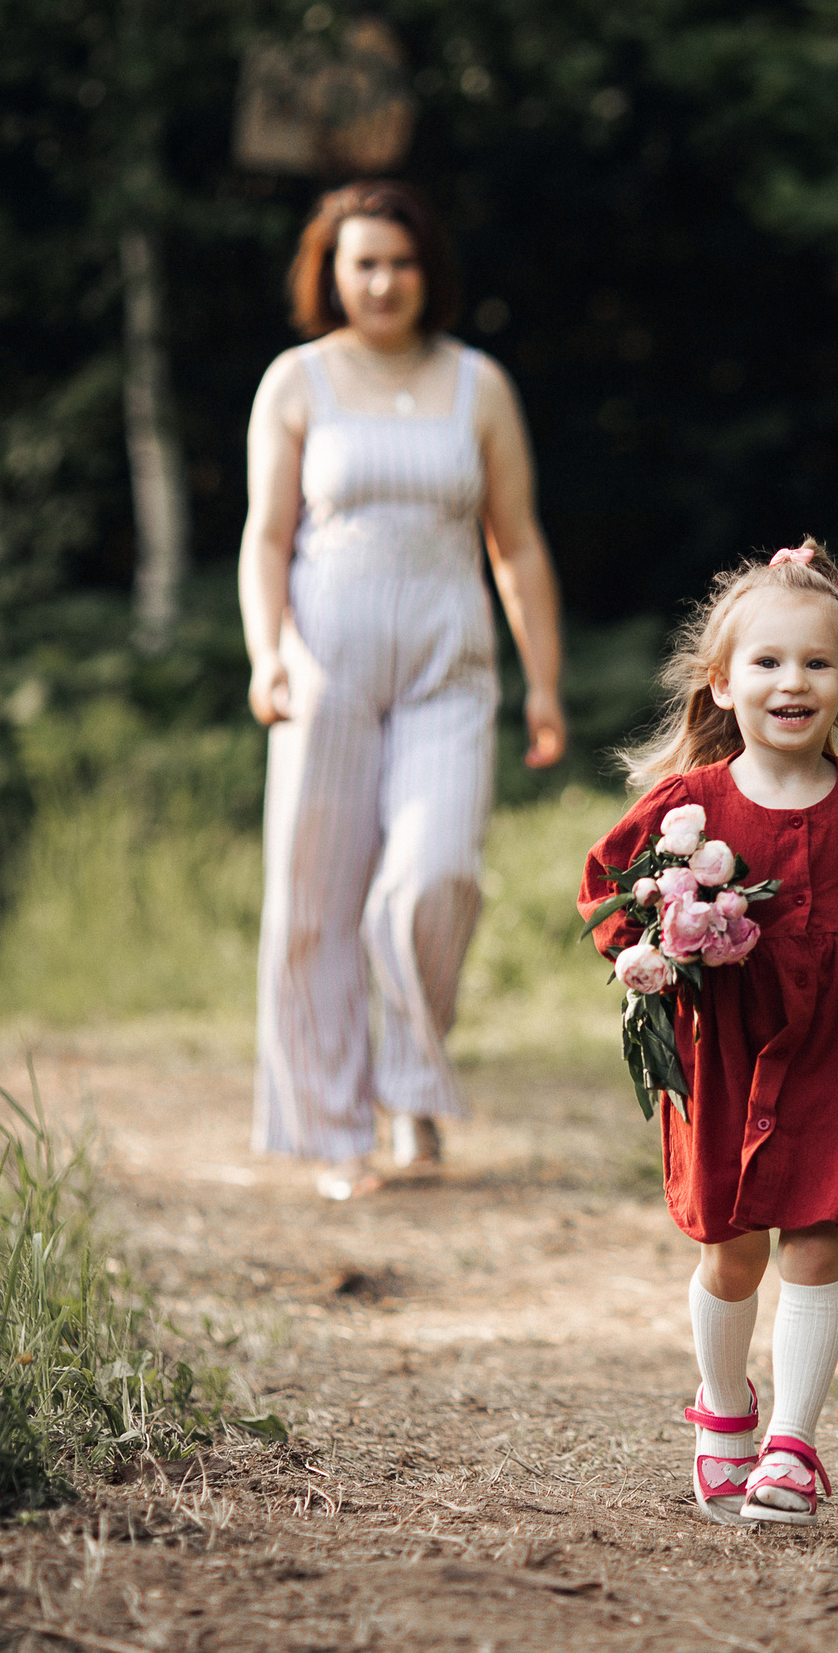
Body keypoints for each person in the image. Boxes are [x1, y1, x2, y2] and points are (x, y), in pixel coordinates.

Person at [240, 179, 566, 1202]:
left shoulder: (480, 386)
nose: (383, 281)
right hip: (325, 666)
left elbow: (514, 543)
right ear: (331, 273)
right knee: (315, 898)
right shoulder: (296, 382)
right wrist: (268, 653)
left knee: (434, 876)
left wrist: (543, 685)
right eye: (363, 262)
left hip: (448, 668)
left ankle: (412, 1086)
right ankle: (337, 1134)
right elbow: (266, 536)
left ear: (430, 273)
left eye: (402, 262)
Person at [577, 541, 838, 1527]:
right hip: (722, 1051)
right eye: (767, 662)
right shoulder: (689, 809)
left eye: (816, 664)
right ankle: (724, 1410)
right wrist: (655, 951)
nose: (791, 682)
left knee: (816, 1242)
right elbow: (607, 897)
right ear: (722, 683)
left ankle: (794, 1448)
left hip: (834, 1053)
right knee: (732, 1250)